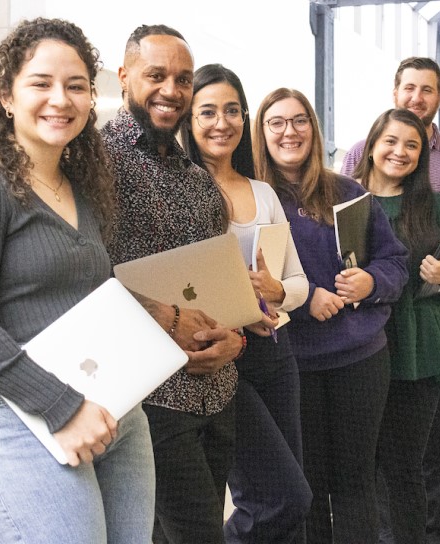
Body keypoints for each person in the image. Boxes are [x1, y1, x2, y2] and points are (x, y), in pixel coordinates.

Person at [0, 18, 154, 543]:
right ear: (7, 96)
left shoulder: (82, 188)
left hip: (113, 411)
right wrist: (63, 407)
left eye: (76, 86)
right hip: (24, 416)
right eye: (41, 83)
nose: (61, 98)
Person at [102, 25, 245, 544]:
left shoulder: (195, 177)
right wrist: (165, 318)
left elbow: (220, 283)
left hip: (216, 391)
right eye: (155, 75)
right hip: (150, 400)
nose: (171, 90)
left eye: (183, 79)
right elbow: (84, 279)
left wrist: (236, 337)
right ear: (124, 77)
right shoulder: (93, 163)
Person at [341, 57, 440, 543]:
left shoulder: (438, 203)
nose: (399, 152)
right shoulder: (344, 199)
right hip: (360, 347)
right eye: (390, 142)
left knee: (405, 468)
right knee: (360, 470)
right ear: (370, 147)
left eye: (411, 146)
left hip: (421, 349)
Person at [253, 87, 409, 543]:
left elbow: (394, 262)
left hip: (359, 358)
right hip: (291, 363)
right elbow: (249, 278)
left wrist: (371, 283)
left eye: (299, 120)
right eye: (276, 122)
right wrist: (307, 297)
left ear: (313, 129)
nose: (289, 131)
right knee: (308, 488)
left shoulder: (347, 191)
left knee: (356, 484)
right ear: (261, 132)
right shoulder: (255, 197)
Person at [180, 64, 313, 543]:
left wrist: (279, 296)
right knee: (281, 497)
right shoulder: (182, 189)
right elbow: (182, 285)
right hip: (224, 358)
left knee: (293, 510)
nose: (222, 123)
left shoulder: (263, 192)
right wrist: (243, 309)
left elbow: (295, 281)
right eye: (209, 111)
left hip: (276, 355)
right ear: (189, 120)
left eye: (233, 111)